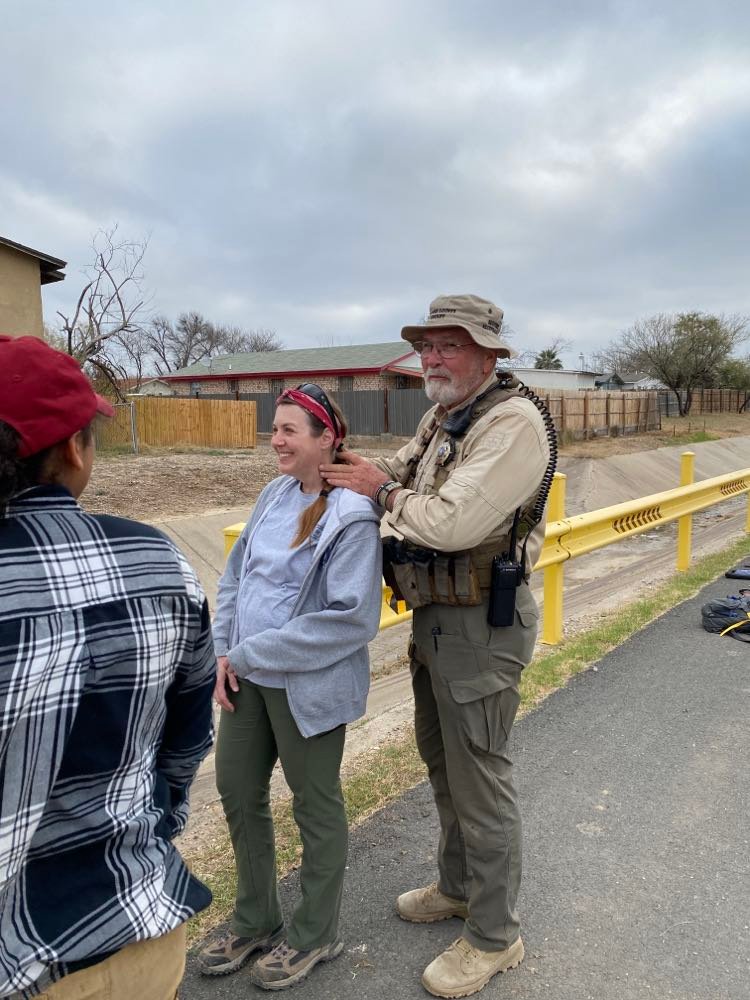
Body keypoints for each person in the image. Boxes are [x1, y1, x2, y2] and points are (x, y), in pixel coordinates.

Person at [320, 294, 553, 999]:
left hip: (483, 625)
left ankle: (494, 936)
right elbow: (396, 471)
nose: (433, 357)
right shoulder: (442, 417)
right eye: (428, 344)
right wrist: (343, 465)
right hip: (437, 621)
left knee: (480, 780)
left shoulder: (510, 422)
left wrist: (379, 491)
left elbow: (448, 523)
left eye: (450, 345)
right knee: (444, 768)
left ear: (487, 353)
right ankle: (457, 887)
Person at [0, 336, 216, 999]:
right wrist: (154, 825)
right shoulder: (155, 559)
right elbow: (186, 739)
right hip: (139, 918)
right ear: (73, 448)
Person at [199, 384, 383, 990]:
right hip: (247, 678)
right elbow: (236, 578)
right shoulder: (273, 494)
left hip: (306, 689)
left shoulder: (351, 516)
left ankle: (315, 933)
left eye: (288, 431)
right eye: (273, 429)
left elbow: (350, 619)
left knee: (315, 805)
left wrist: (250, 652)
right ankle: (256, 918)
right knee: (236, 789)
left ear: (326, 438)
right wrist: (225, 650)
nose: (275, 440)